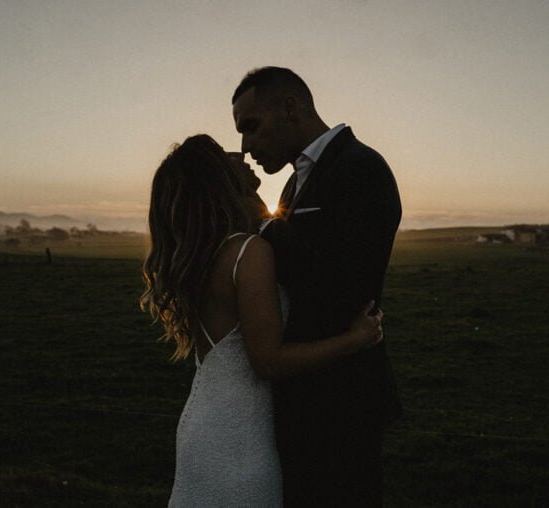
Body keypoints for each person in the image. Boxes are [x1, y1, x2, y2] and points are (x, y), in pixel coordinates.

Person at [140, 134, 385, 507]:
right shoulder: (248, 251)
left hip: (204, 424)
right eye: (226, 155)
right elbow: (268, 360)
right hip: (239, 441)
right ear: (217, 176)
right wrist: (356, 339)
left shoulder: (208, 253)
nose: (241, 154)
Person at [232, 67, 402, 507]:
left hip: (344, 399)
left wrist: (258, 215)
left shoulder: (362, 167)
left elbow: (342, 284)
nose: (246, 146)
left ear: (290, 107)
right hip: (299, 393)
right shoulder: (294, 181)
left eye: (251, 126)